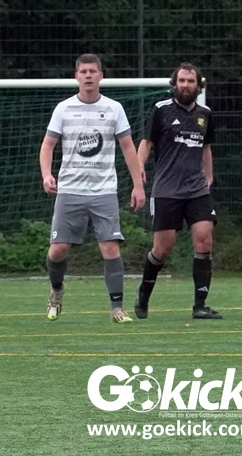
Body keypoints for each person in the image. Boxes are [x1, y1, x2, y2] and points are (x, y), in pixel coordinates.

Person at [39, 54, 145, 324]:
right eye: (84, 71)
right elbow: (48, 145)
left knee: (110, 248)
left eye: (92, 71)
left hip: (104, 190)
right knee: (58, 250)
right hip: (70, 190)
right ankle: (56, 290)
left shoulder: (114, 109)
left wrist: (138, 185)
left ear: (101, 76)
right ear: (77, 76)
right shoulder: (64, 109)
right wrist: (47, 174)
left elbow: (128, 147)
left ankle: (117, 308)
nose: (88, 75)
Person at [134, 62, 220, 320]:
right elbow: (146, 142)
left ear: (198, 86)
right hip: (167, 189)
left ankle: (200, 306)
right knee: (163, 248)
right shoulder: (162, 110)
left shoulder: (205, 113)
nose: (185, 85)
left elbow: (206, 146)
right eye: (181, 81)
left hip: (196, 189)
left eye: (190, 81)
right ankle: (143, 294)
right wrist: (138, 169)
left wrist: (209, 176)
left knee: (204, 239)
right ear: (175, 84)